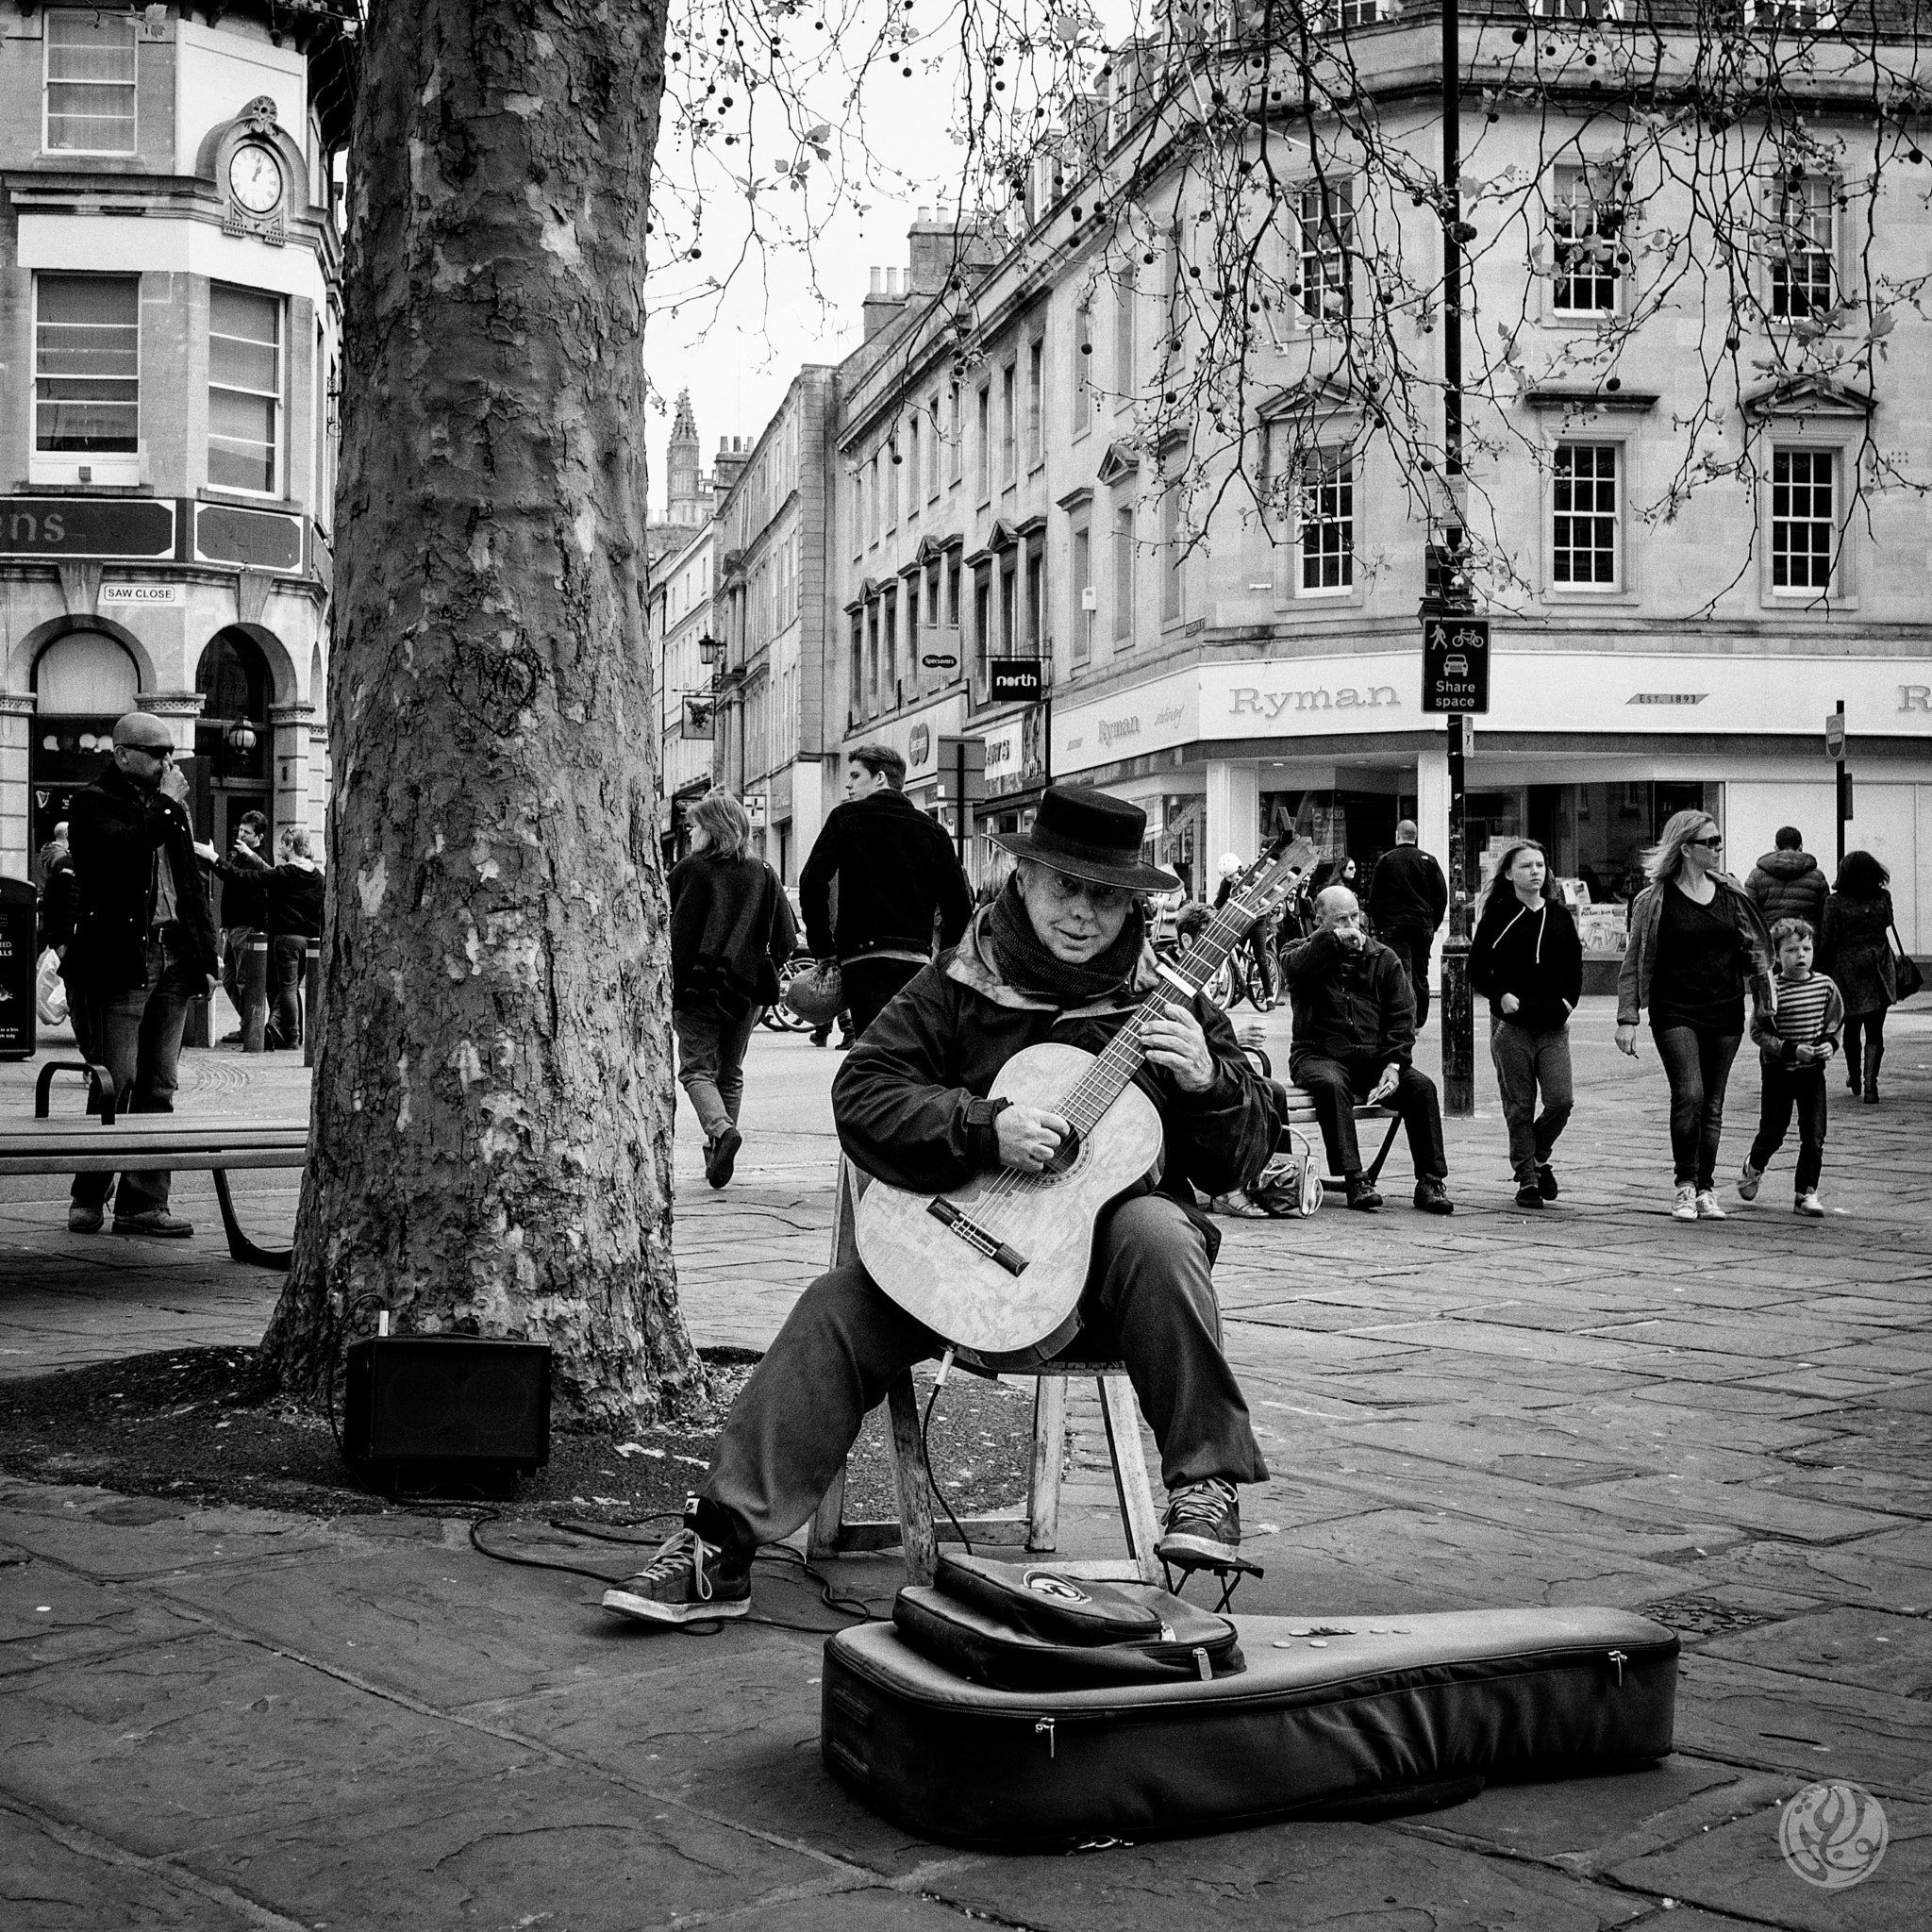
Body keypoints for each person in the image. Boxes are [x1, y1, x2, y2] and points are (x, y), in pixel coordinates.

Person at [603, 785, 1280, 1624]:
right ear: (1022, 877)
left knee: (1159, 1229)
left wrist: (1210, 1085)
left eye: (1106, 897)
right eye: (1064, 886)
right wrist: (982, 1127)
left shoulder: (1172, 999)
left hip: (1102, 1292)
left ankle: (1207, 1488)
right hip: (950, 1256)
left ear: (1134, 903)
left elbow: (1244, 1156)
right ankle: (719, 1545)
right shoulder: (958, 982)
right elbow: (865, 1093)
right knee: (834, 1307)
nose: (1081, 914)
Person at [60, 711, 220, 1239]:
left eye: (170, 753)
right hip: (123, 961)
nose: (168, 763)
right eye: (158, 754)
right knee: (115, 1080)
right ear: (123, 754)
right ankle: (88, 1195)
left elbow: (188, 886)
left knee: (160, 1084)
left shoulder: (170, 809)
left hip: (173, 957)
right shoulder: (92, 803)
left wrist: (206, 955)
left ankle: (143, 1202)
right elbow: (116, 853)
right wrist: (168, 805)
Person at [1615, 809, 1775, 1222]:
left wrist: (1764, 1003)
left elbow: (1755, 953)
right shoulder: (1653, 901)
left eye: (1719, 840)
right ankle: (1685, 1185)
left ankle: (1706, 1188)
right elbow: (1636, 960)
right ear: (1686, 848)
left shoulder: (1732, 893)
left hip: (1724, 1009)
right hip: (1675, 1009)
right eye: (1711, 842)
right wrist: (1627, 1017)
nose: (1719, 848)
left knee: (1713, 1104)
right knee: (1690, 1094)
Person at [1281, 885, 1455, 1214]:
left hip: (1374, 1058)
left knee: (1421, 1088)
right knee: (1332, 1086)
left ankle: (1430, 1180)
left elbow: (1401, 1018)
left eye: (1354, 917)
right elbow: (1294, 968)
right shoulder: (1300, 950)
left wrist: (1394, 1064)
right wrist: (1332, 942)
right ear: (1320, 921)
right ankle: (1354, 1179)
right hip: (1317, 1053)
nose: (1350, 926)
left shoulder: (1383, 957)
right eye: (1339, 920)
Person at [798, 743, 973, 1041]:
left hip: (862, 960)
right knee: (910, 1046)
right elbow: (959, 905)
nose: (848, 785)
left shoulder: (846, 818)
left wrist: (823, 948)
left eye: (855, 776)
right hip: (916, 961)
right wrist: (943, 958)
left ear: (880, 778)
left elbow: (812, 881)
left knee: (873, 1050)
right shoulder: (933, 830)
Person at [668, 788, 797, 1188]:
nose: (690, 835)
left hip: (697, 988)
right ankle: (718, 1156)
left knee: (695, 1070)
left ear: (711, 829)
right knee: (731, 1072)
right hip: (744, 992)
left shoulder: (692, 870)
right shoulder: (763, 872)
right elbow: (787, 938)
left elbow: (670, 930)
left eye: (694, 827)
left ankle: (722, 1132)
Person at [1467, 839, 1582, 1210]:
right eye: (1526, 866)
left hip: (1552, 1026)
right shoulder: (1498, 916)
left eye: (1540, 865)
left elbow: (1574, 970)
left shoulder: (1561, 916)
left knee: (1560, 1101)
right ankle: (1528, 1179)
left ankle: (1537, 1155)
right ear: (1508, 874)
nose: (1536, 872)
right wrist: (1500, 994)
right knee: (1519, 1105)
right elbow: (1476, 968)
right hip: (1512, 1027)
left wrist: (1566, 1002)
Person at [1740, 917, 1842, 1218]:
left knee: (1814, 1134)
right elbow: (1758, 1031)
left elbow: (1835, 1022)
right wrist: (1789, 1049)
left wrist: (1829, 1045)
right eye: (1792, 950)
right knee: (1774, 1130)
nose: (1801, 956)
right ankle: (1754, 1164)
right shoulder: (1771, 989)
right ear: (1776, 955)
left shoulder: (1825, 986)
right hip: (1778, 1072)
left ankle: (1806, 1192)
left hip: (1812, 1074)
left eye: (1806, 949)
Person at [1819, 850, 1899, 1105]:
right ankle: (1870, 1086)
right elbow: (1888, 922)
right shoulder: (1883, 897)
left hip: (1847, 968)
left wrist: (1821, 969)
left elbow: (1828, 939)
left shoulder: (1835, 902)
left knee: (1852, 1026)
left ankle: (1854, 1076)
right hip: (1879, 966)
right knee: (1876, 1029)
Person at [1365, 820, 1449, 1029]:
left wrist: (1381, 924)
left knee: (1401, 970)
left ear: (1397, 835)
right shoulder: (1429, 861)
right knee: (1421, 971)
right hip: (1422, 924)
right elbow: (1441, 897)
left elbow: (1375, 898)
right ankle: (1419, 1019)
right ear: (1415, 836)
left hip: (1396, 924)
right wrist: (1433, 923)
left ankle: (1404, 1019)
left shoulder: (1386, 861)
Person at [200, 810, 273, 1042]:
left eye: (247, 832)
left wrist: (214, 860)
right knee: (230, 979)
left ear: (258, 836)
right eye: (240, 830)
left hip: (248, 926)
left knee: (244, 980)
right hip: (233, 926)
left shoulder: (257, 858)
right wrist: (225, 924)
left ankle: (252, 1029)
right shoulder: (239, 855)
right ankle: (248, 1025)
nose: (241, 834)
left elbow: (238, 879)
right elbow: (230, 888)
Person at [264, 826, 324, 1049]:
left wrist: (215, 860)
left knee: (288, 988)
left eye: (282, 843)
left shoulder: (285, 874)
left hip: (287, 939)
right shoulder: (318, 878)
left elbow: (253, 877)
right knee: (294, 986)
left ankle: (292, 1037)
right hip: (310, 941)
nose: (279, 847)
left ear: (291, 846)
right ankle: (278, 1027)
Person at [1213, 853, 1277, 1008]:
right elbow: (1219, 903)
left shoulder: (1253, 879)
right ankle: (1236, 989)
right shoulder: (1226, 884)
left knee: (1260, 957)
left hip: (1256, 921)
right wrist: (1211, 914)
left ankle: (1269, 995)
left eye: (1233, 876)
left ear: (1239, 870)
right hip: (1239, 922)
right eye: (1228, 878)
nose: (1231, 880)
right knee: (1233, 953)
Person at [1745, 825, 1829, 932]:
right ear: (1800, 847)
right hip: (1806, 943)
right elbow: (1825, 916)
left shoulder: (1756, 875)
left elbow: (1749, 915)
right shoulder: (1817, 876)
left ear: (1776, 848)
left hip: (1772, 942)